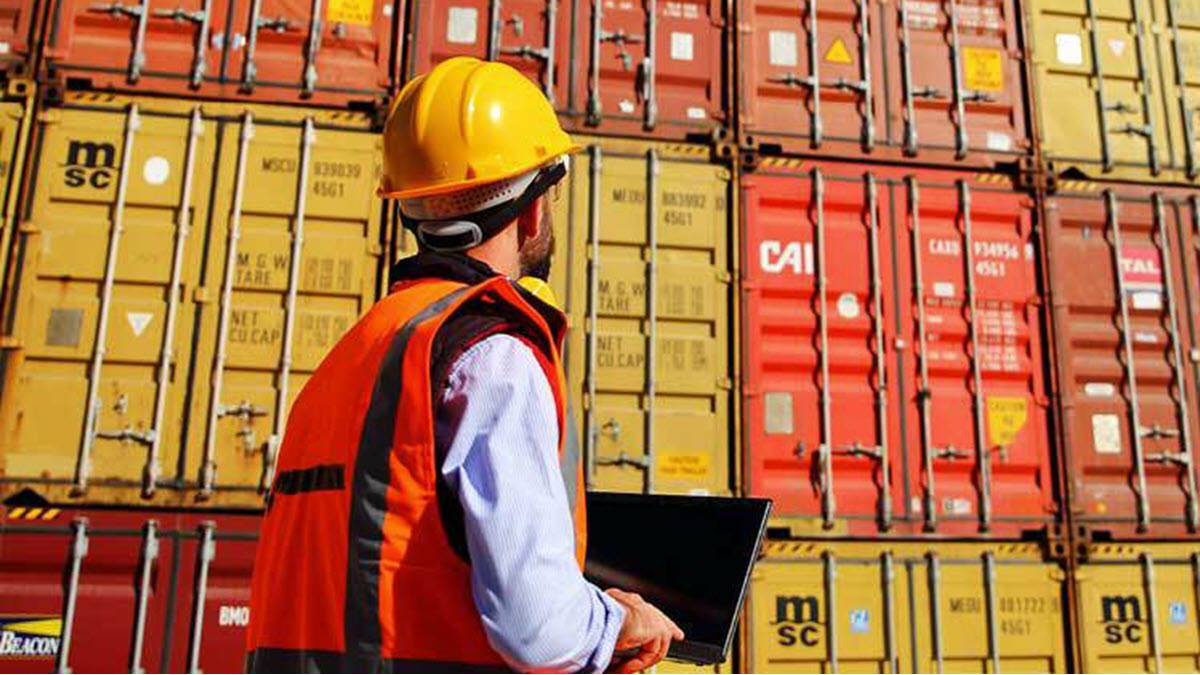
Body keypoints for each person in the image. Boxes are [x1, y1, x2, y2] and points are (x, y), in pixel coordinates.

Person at [245, 56, 683, 673]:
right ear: (533, 210)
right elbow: (538, 630)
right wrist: (617, 622)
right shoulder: (494, 356)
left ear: (409, 208)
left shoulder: (358, 353)